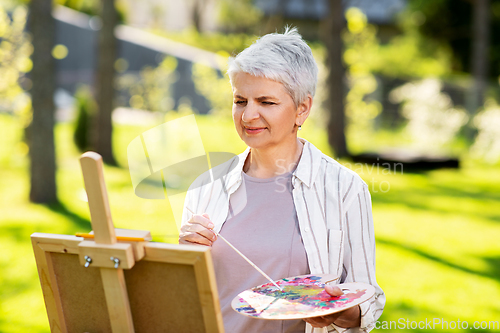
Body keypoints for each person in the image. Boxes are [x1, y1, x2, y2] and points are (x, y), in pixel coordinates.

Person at [179, 27, 385, 333]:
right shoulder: (206, 187)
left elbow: (368, 306)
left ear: (302, 109)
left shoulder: (344, 189)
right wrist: (184, 257)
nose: (248, 116)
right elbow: (186, 297)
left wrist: (335, 311)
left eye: (266, 102)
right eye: (240, 100)